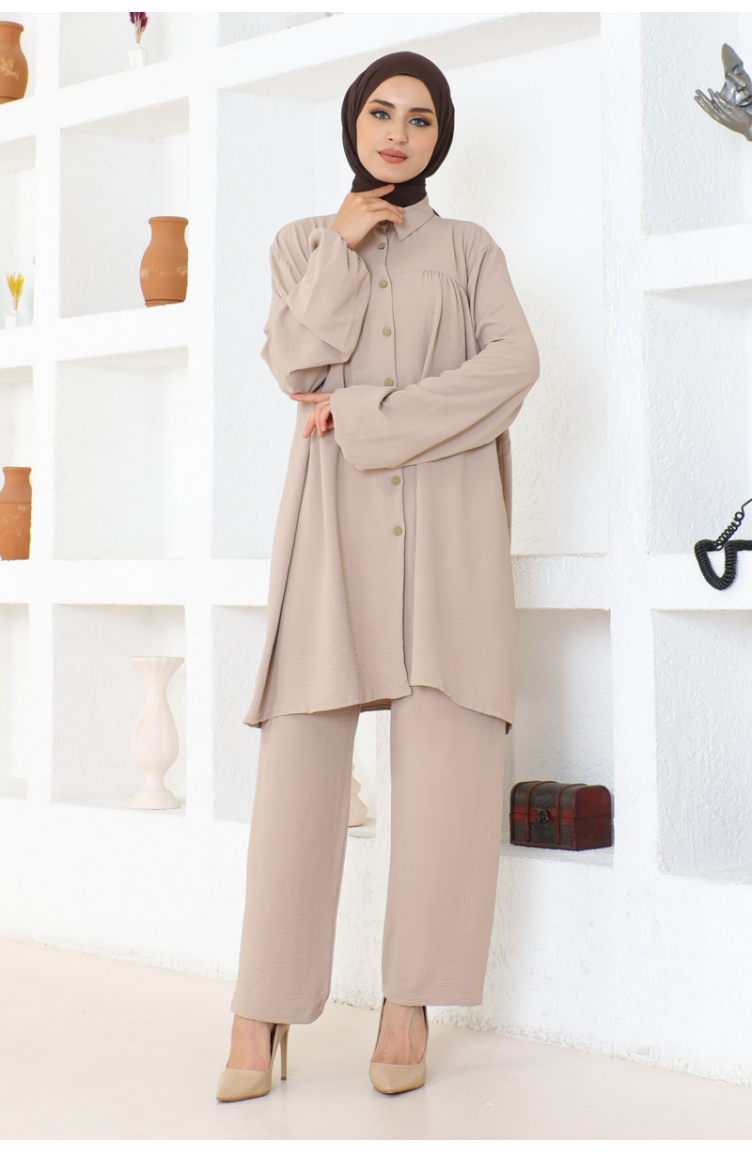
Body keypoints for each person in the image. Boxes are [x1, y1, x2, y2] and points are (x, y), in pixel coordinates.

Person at [217, 50, 540, 1102]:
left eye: (420, 118)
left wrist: (365, 417)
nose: (398, 133)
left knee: (448, 762)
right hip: (334, 531)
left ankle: (410, 1003)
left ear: (440, 136)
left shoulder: (472, 249)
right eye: (381, 113)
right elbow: (293, 368)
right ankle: (260, 1008)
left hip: (450, 531)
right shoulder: (301, 243)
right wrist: (344, 246)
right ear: (353, 124)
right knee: (299, 766)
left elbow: (513, 367)